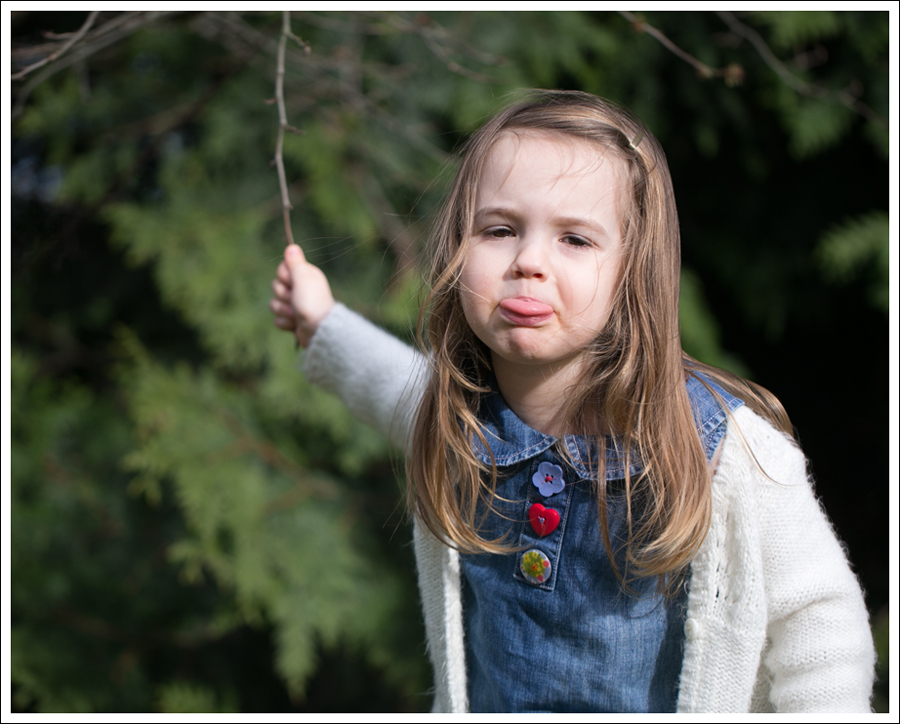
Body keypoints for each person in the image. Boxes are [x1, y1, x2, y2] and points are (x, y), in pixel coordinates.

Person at [269, 91, 875, 713]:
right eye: (500, 230)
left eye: (575, 240)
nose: (528, 261)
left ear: (632, 271)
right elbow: (393, 385)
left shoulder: (725, 452)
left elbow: (820, 620)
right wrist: (321, 323)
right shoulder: (460, 421)